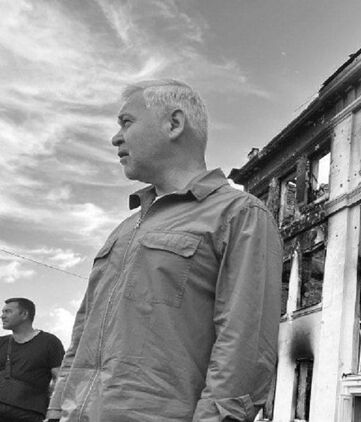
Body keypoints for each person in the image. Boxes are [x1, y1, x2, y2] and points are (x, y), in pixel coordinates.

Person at [47, 80, 282, 422]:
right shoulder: (124, 230)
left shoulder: (240, 214)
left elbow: (245, 346)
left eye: (126, 122)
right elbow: (82, 333)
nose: (115, 138)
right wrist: (56, 410)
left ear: (174, 124)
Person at [0, 298, 65, 422]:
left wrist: (54, 412)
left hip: (30, 414)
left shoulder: (49, 342)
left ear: (24, 314)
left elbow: (61, 379)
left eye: (8, 311)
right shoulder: (1, 343)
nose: (2, 316)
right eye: (3, 312)